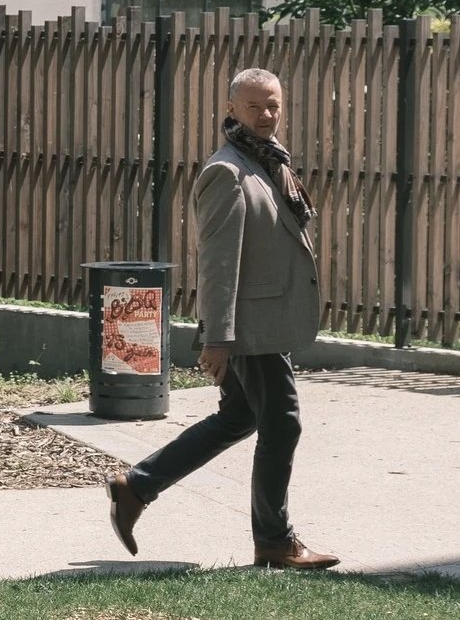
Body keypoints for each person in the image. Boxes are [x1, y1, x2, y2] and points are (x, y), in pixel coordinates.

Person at [107, 67, 338, 570]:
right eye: (254, 106)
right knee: (283, 424)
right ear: (231, 109)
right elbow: (217, 264)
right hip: (248, 329)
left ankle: (137, 486)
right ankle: (274, 541)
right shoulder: (227, 172)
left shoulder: (268, 161)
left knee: (240, 417)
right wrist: (218, 337)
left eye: (273, 105)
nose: (266, 115)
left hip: (263, 322)